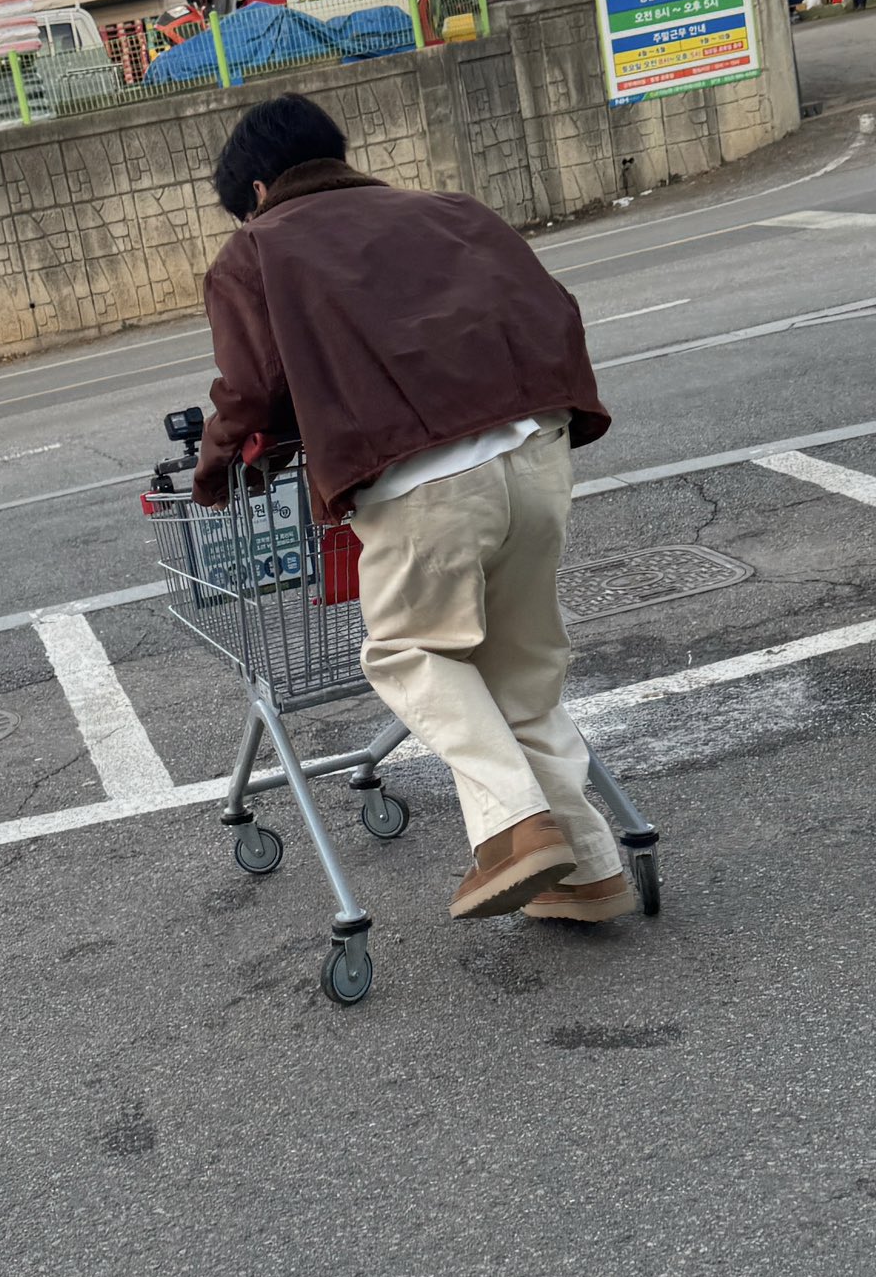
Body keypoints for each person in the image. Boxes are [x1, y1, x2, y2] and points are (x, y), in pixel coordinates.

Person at [192, 94, 633, 923]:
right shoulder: (450, 210)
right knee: (520, 678)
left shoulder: (256, 250)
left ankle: (514, 828)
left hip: (421, 478)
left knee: (407, 652)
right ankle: (590, 873)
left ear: (255, 190)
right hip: (534, 452)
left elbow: (251, 391)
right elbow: (551, 309)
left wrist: (215, 473)